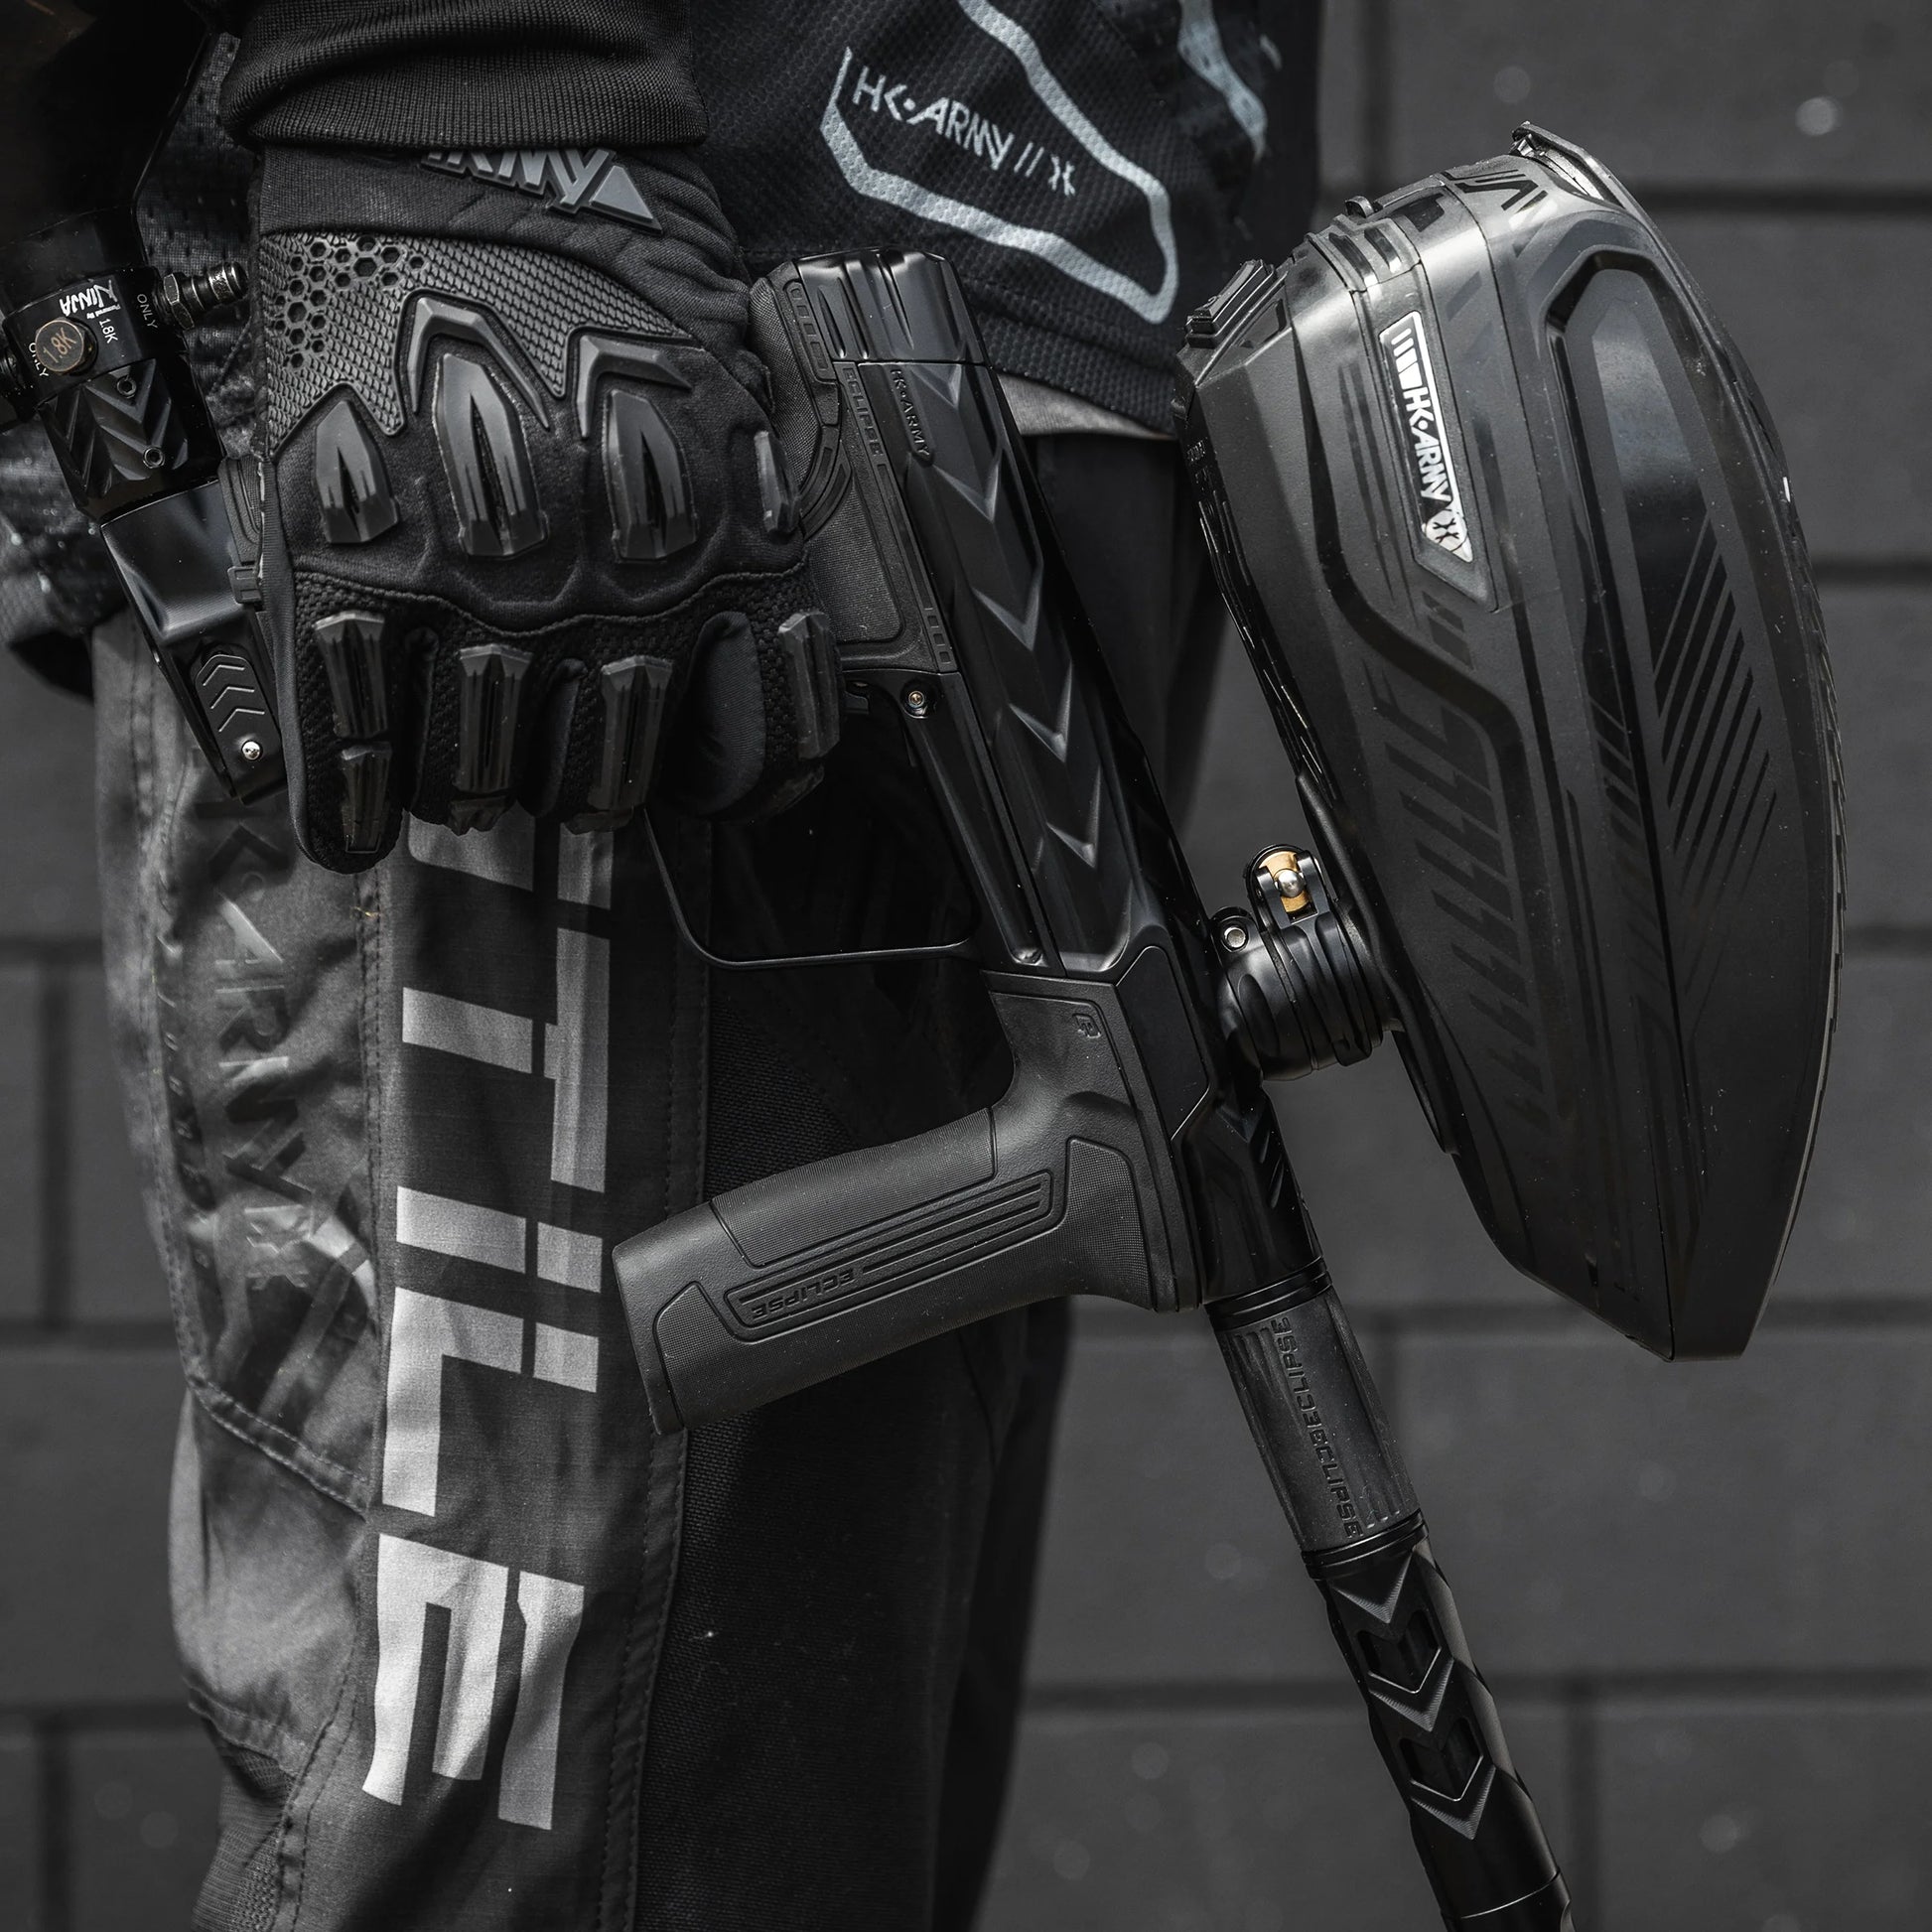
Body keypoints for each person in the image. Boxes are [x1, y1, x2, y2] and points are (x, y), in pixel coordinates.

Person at [0, 5, 1319, 1925]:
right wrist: (444, 65)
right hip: (563, 380)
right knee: (556, 1836)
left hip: (1011, 350)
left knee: (782, 1826)